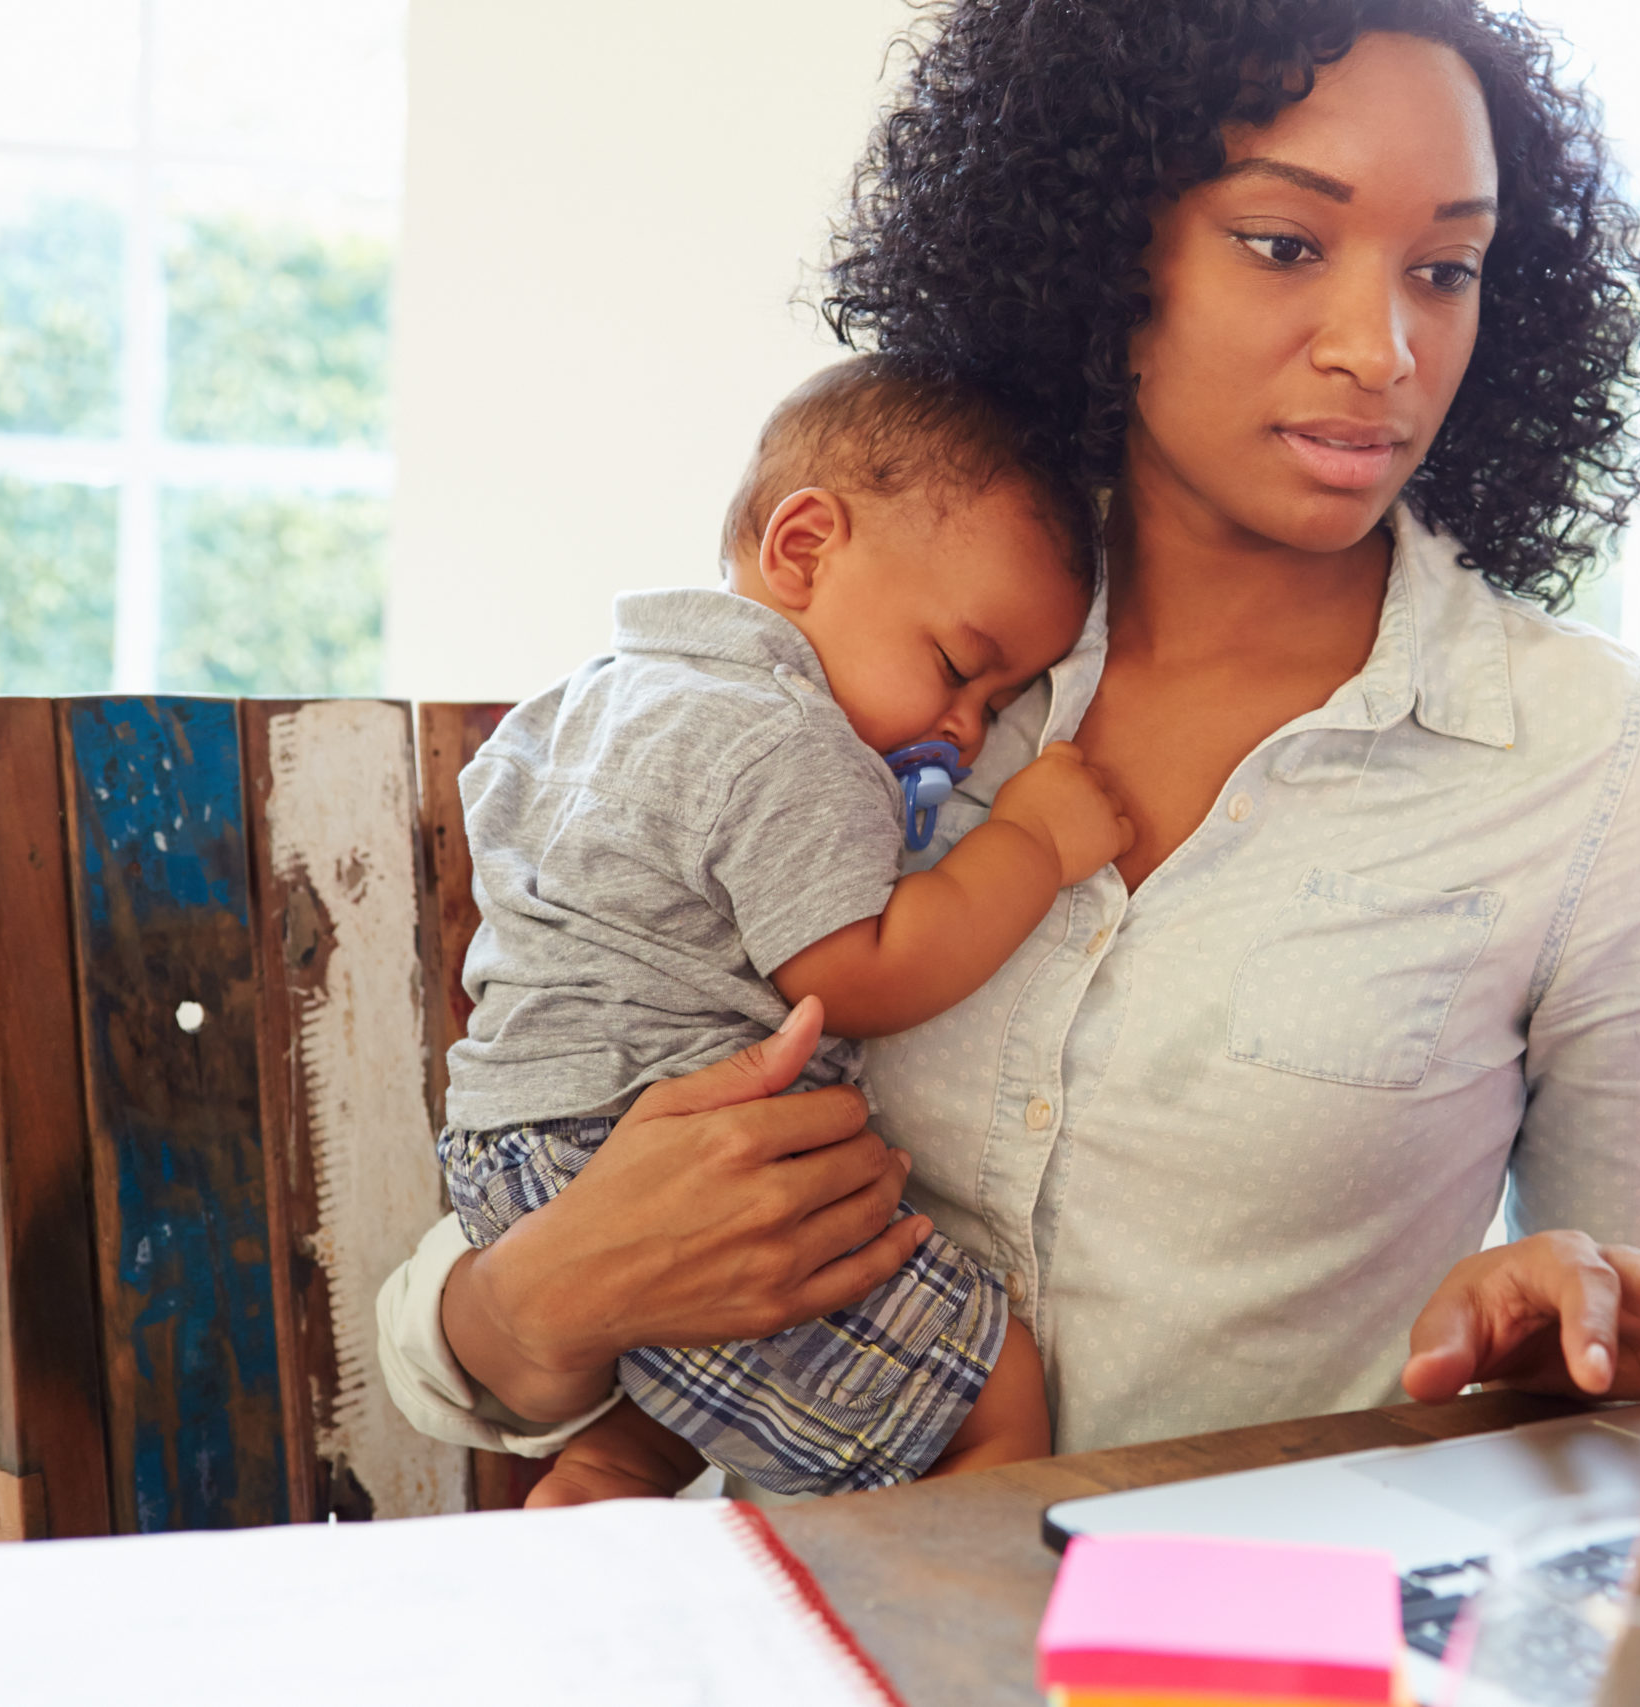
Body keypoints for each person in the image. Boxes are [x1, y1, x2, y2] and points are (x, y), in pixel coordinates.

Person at [377, 0, 1640, 1484]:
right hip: (792, 1622)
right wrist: (540, 1302)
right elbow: (501, 1250)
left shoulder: (1598, 771)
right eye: (1285, 243)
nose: (1383, 348)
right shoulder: (881, 661)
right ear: (1106, 248)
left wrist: (1552, 1348)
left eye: (1446, 269)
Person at [432, 357, 1133, 1504]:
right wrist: (1034, 846)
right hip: (641, 1151)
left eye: (1000, 707)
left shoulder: (593, 695)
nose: (963, 729)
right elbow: (861, 972)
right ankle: (945, 1651)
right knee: (992, 1392)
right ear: (803, 547)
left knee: (713, 1380)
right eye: (960, 669)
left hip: (515, 1148)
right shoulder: (785, 738)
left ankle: (609, 1468)